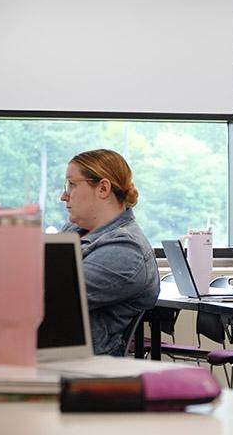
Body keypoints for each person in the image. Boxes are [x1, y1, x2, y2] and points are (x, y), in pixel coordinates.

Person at [60, 149, 160, 356]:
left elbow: (46, 296)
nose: (64, 195)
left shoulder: (127, 250)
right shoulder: (74, 231)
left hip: (77, 370)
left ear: (103, 188)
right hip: (44, 358)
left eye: (72, 184)